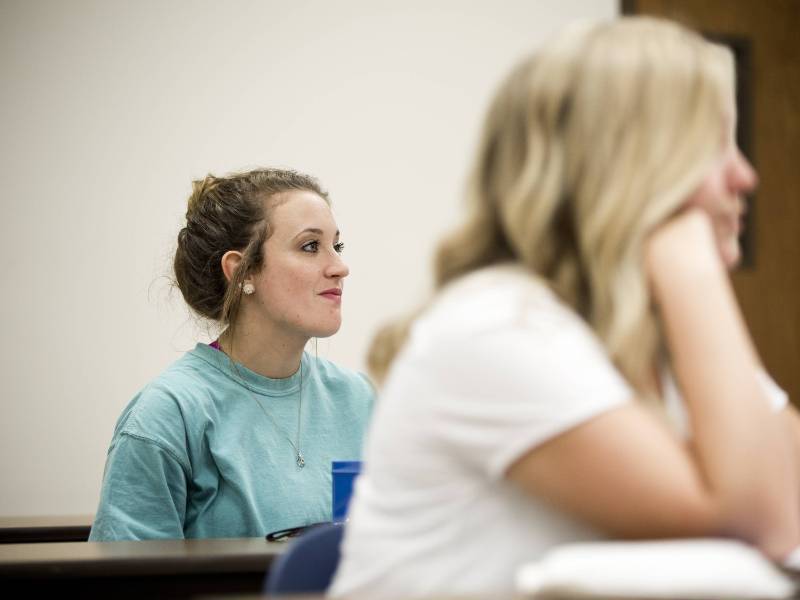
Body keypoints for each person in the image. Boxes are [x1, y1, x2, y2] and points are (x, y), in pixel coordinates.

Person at [330, 17, 800, 598]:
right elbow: (765, 523)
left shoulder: (649, 331)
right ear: (633, 169)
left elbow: (788, 488)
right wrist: (691, 265)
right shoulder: (498, 326)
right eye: (713, 146)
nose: (745, 175)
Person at [89, 168, 374, 541]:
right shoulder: (167, 415)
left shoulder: (358, 399)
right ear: (242, 273)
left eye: (337, 246)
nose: (339, 267)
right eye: (310, 246)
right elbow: (125, 584)